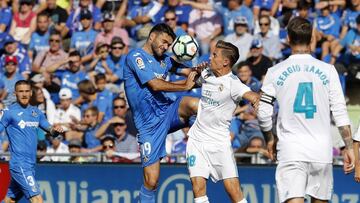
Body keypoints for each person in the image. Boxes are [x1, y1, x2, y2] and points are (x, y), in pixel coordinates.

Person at [257, 17, 355, 203]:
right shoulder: (328, 70)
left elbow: (263, 111)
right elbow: (340, 112)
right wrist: (349, 147)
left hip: (291, 149)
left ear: (287, 38)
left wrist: (269, 138)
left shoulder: (275, 71)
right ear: (312, 39)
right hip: (320, 150)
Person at [124, 23, 201, 203]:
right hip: (148, 126)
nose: (166, 47)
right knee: (151, 181)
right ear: (152, 36)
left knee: (194, 104)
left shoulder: (165, 59)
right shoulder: (136, 57)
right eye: (164, 42)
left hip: (167, 111)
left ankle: (209, 141)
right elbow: (155, 84)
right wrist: (184, 85)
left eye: (169, 45)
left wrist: (201, 71)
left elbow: (189, 72)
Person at [186, 40, 258, 203]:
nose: (210, 57)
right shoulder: (207, 74)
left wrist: (257, 101)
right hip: (197, 141)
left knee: (234, 193)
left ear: (225, 61)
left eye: (214, 55)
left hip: (219, 143)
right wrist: (195, 73)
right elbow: (190, 83)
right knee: (198, 190)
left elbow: (252, 96)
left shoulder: (234, 84)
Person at [1, 80, 63, 203]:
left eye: (26, 91)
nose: (24, 94)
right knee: (37, 200)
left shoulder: (37, 113)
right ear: (15, 94)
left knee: (10, 200)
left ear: (30, 93)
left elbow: (49, 129)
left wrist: (56, 130)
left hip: (30, 164)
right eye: (21, 91)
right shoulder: (9, 112)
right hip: (19, 164)